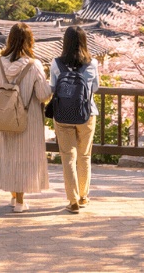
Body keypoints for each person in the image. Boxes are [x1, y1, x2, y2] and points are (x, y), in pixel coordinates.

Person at [0, 22, 52, 213]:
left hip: (4, 117)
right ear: (30, 41)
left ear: (10, 40)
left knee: (9, 156)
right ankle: (21, 202)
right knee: (24, 157)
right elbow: (43, 94)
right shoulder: (34, 65)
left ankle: (14, 197)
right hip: (27, 119)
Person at [49, 26, 99, 214]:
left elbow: (53, 88)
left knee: (68, 157)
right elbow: (95, 88)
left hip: (62, 115)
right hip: (87, 114)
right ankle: (84, 196)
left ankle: (72, 200)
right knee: (84, 156)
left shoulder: (56, 64)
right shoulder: (92, 64)